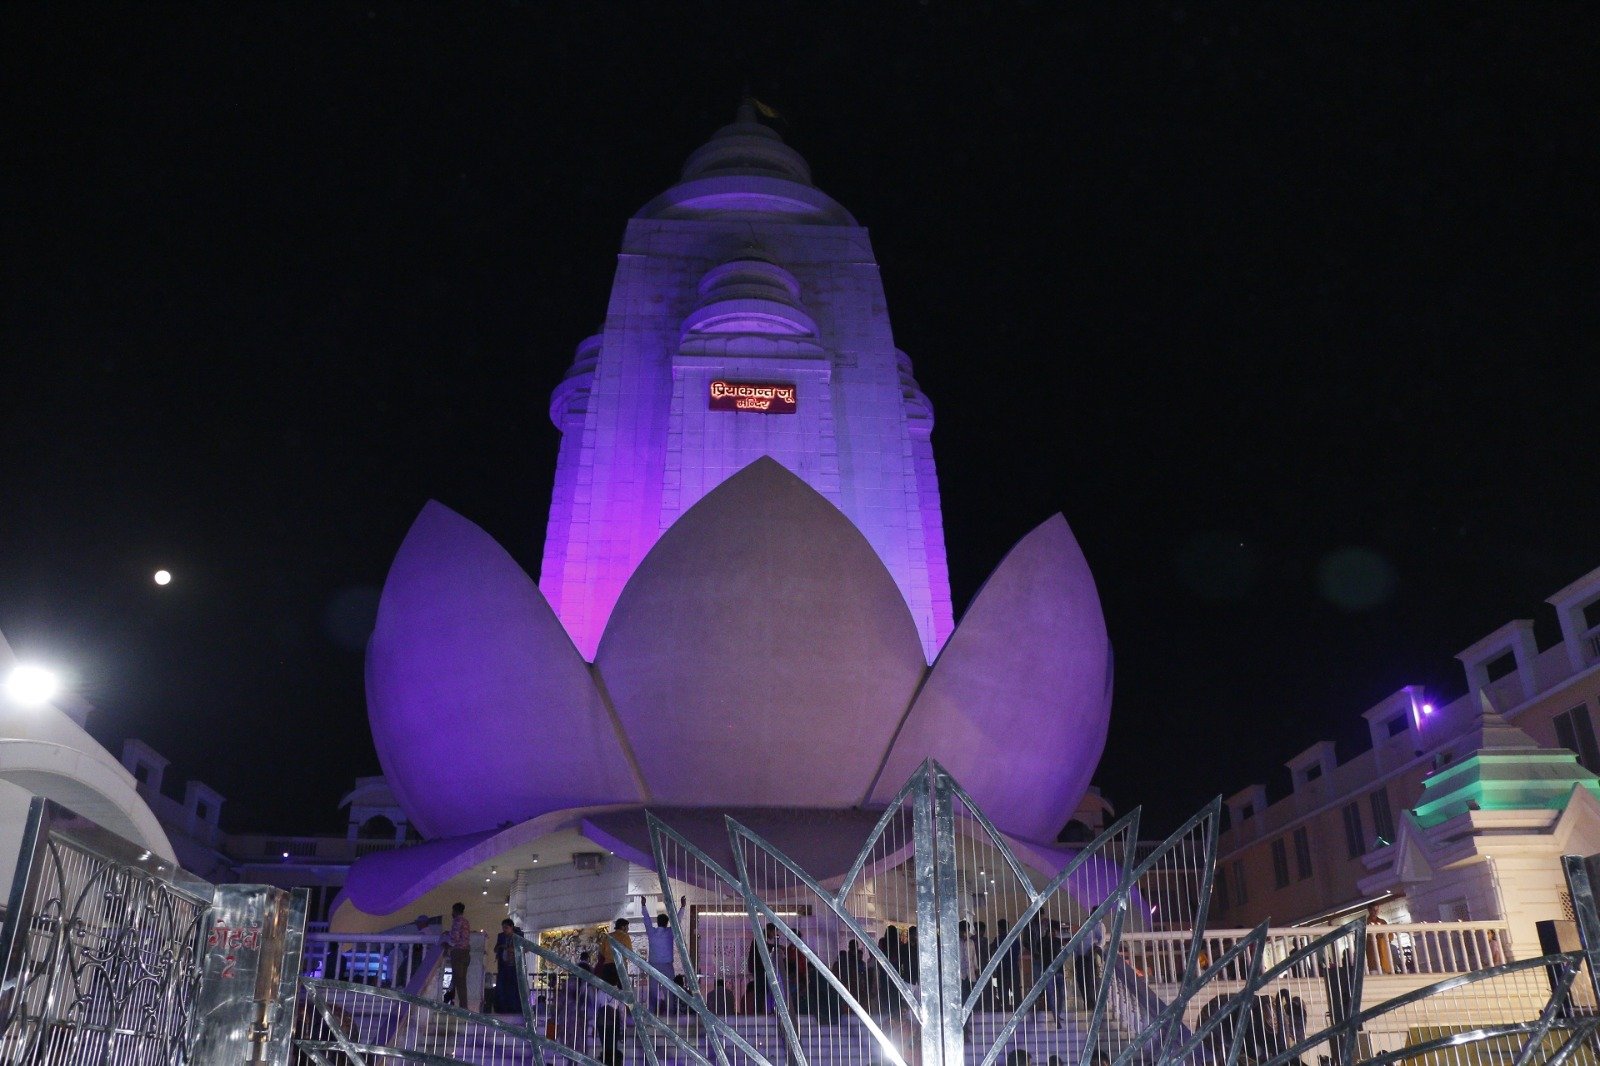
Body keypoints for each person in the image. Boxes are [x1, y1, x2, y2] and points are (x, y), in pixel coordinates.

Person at [639, 894, 687, 1009]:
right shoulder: (670, 932)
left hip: (653, 965)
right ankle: (670, 1015)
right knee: (669, 991)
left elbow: (647, 920)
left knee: (653, 992)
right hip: (667, 966)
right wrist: (682, 907)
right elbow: (677, 921)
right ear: (666, 923)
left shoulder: (652, 932)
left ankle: (651, 1014)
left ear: (658, 922)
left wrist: (643, 905)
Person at [443, 902, 472, 1006]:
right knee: (462, 981)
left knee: (459, 981)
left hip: (458, 953)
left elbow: (455, 937)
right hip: (466, 953)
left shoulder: (457, 921)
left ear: (455, 911)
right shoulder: (466, 921)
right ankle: (464, 1005)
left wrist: (448, 945)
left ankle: (463, 1007)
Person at [494, 919, 522, 1014]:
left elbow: (523, 949)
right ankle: (503, 1008)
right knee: (502, 988)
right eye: (503, 928)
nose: (504, 930)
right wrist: (501, 947)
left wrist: (510, 949)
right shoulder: (501, 936)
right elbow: (496, 948)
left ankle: (514, 1008)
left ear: (511, 927)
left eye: (506, 928)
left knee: (513, 988)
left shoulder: (518, 936)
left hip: (513, 966)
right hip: (503, 965)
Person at [598, 916, 633, 988]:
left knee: (607, 990)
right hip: (620, 966)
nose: (628, 929)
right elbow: (629, 952)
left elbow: (601, 952)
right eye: (627, 927)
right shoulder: (625, 936)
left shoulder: (608, 936)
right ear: (623, 927)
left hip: (607, 966)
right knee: (622, 989)